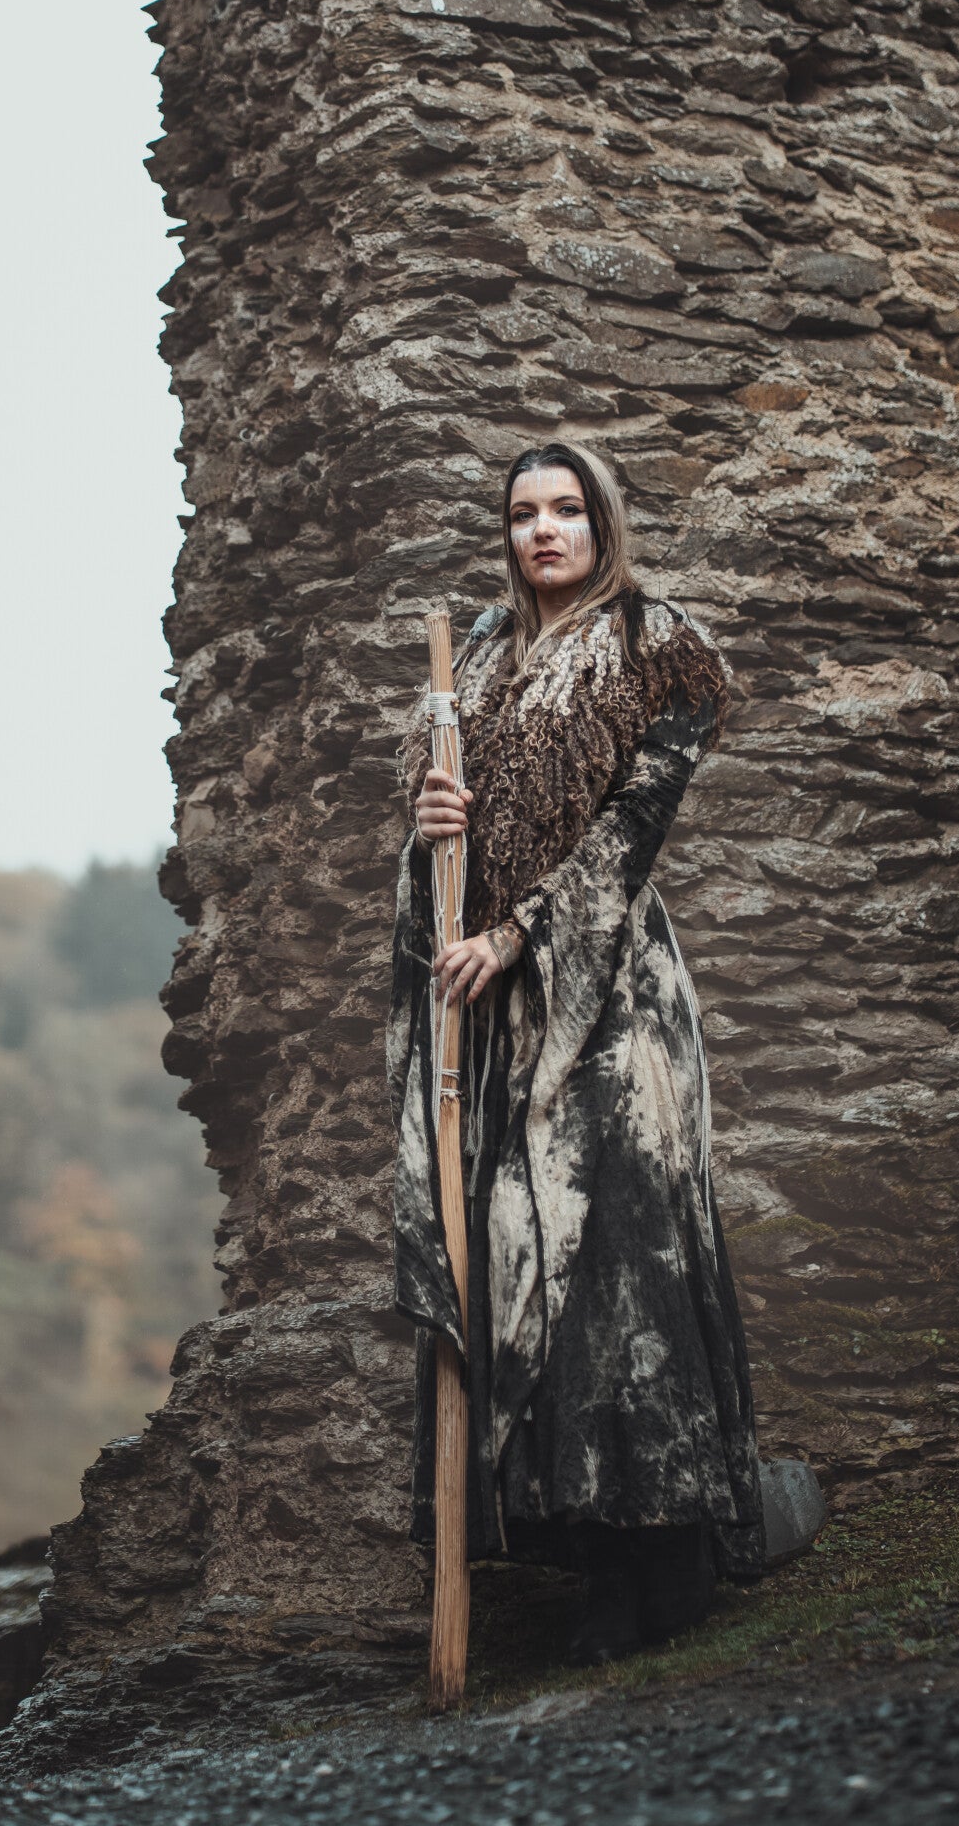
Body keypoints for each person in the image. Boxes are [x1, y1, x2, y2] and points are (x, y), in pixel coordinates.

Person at [391, 441, 764, 1663]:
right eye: (523, 513)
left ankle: (672, 1552)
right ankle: (590, 1564)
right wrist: (430, 825)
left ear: (603, 522)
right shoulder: (476, 663)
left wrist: (518, 934)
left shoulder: (659, 646)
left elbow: (631, 832)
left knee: (619, 1261)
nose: (543, 530)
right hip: (492, 1019)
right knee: (521, 1265)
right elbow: (438, 854)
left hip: (610, 1006)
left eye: (566, 509)